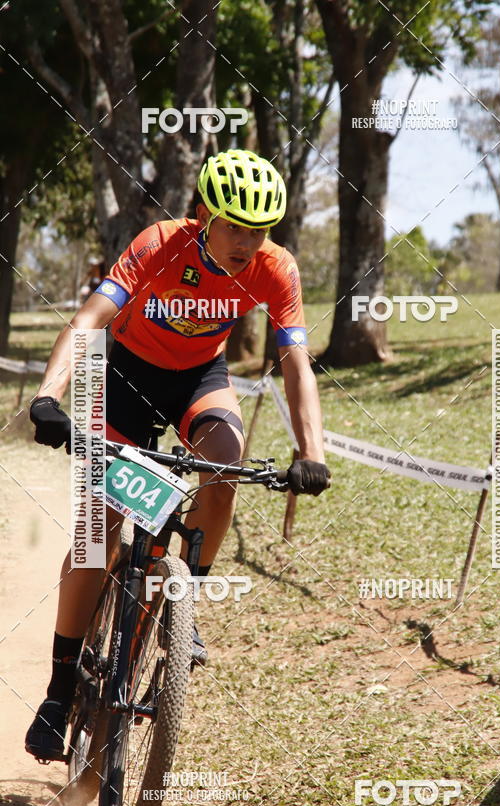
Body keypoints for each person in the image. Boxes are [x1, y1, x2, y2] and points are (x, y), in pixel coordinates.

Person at [25, 149, 331, 762]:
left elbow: (296, 361)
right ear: (205, 216)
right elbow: (89, 319)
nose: (248, 242)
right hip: (126, 379)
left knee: (224, 464)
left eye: (260, 229)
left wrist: (312, 452)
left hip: (198, 379)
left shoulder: (277, 269)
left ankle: (181, 613)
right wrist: (48, 396)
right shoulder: (161, 242)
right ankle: (59, 691)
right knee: (98, 532)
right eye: (236, 226)